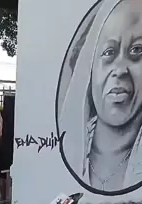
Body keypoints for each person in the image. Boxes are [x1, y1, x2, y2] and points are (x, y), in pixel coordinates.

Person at [59, 0, 142, 194]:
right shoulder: (70, 151)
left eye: (137, 50)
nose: (120, 70)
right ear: (89, 68)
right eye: (109, 52)